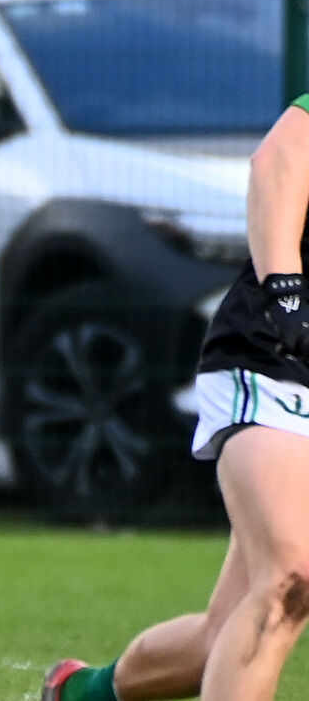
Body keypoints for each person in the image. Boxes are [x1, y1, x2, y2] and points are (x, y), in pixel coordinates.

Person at [42, 91, 309, 701]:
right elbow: (278, 164)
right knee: (292, 576)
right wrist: (286, 293)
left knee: (226, 629)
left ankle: (81, 692)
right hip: (277, 361)